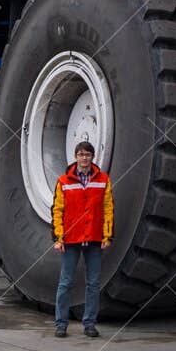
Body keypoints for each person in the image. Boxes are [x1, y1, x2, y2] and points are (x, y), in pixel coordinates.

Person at [51, 139, 113, 337]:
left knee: (93, 283)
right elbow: (57, 210)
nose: (84, 158)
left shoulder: (103, 179)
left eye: (87, 155)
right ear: (75, 157)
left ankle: (90, 324)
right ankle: (61, 324)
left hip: (94, 239)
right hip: (70, 239)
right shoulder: (63, 181)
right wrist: (58, 237)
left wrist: (107, 235)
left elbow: (108, 208)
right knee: (65, 282)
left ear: (92, 157)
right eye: (80, 154)